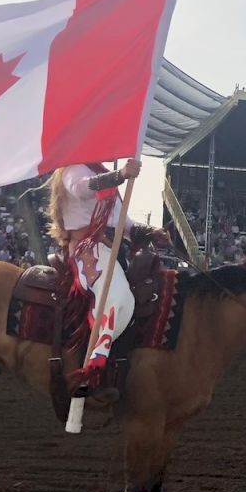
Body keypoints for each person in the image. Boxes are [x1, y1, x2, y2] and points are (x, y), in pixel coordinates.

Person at [47, 160, 166, 394]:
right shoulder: (73, 169)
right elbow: (82, 187)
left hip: (113, 249)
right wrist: (119, 174)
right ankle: (93, 371)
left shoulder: (102, 175)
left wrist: (153, 233)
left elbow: (126, 225)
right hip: (88, 248)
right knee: (118, 299)